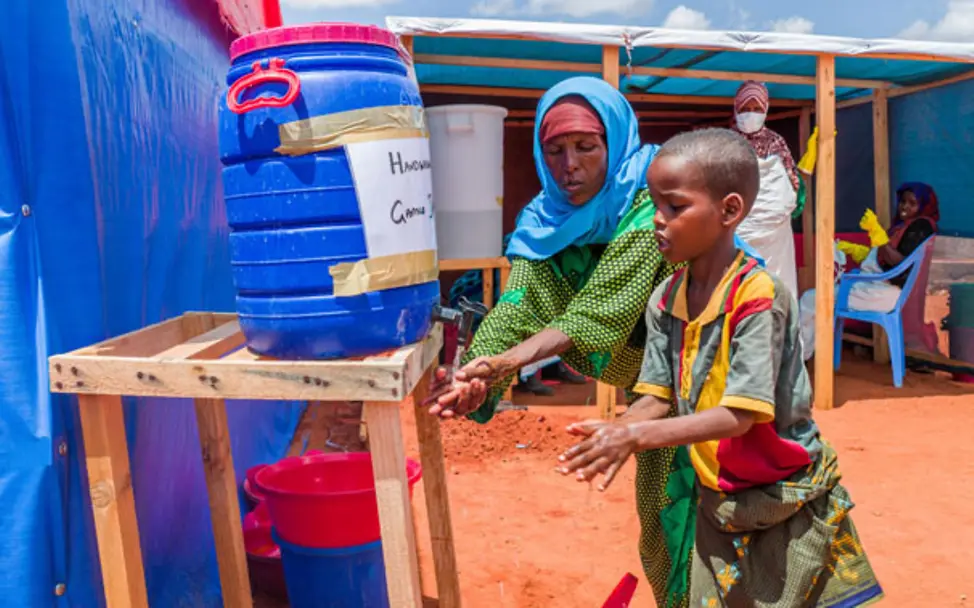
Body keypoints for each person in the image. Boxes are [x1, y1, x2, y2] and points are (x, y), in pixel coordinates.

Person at [558, 128, 883, 607]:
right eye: (655, 206)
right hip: (721, 501)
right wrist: (618, 428)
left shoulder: (759, 298)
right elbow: (657, 395)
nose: (658, 222)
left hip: (786, 500)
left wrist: (634, 437)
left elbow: (740, 415)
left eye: (675, 207)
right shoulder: (666, 300)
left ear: (730, 211)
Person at [425, 75, 695, 605]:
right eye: (555, 150)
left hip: (713, 391)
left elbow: (596, 316)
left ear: (613, 141)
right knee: (666, 533)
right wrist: (477, 374)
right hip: (653, 399)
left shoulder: (654, 206)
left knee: (726, 529)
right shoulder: (544, 220)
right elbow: (518, 305)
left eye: (585, 147)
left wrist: (505, 362)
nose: (569, 165)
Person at [801, 182, 941, 358]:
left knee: (810, 299)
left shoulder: (920, 227)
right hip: (880, 288)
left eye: (912, 203)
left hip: (883, 292)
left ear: (924, 206)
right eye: (903, 201)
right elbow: (884, 258)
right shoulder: (907, 226)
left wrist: (878, 234)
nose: (904, 207)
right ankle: (806, 354)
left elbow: (898, 263)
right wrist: (855, 250)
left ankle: (800, 358)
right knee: (817, 299)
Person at [731, 80, 807, 302]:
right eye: (745, 109)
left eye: (757, 109)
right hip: (738, 229)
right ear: (736, 107)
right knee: (740, 289)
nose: (751, 114)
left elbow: (793, 187)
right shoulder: (726, 142)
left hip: (776, 235)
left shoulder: (776, 143)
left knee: (775, 289)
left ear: (766, 109)